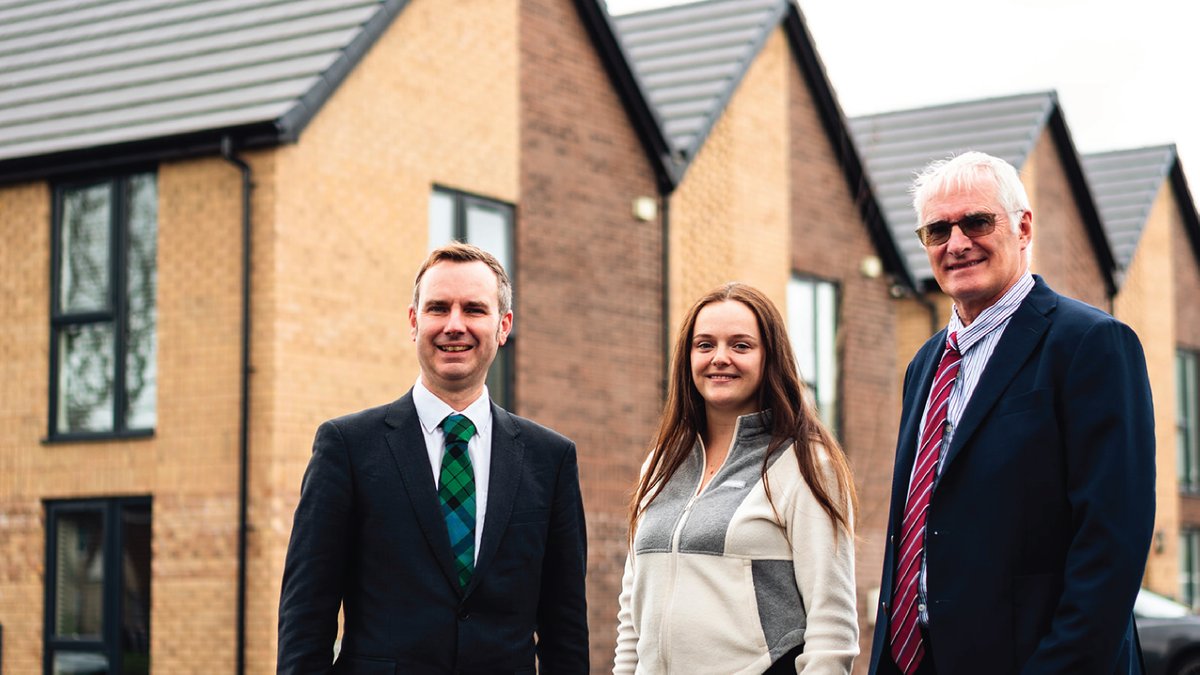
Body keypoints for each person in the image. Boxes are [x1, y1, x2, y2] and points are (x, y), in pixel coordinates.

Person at [868, 152, 1155, 674]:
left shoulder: (1091, 344)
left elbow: (1111, 545)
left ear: (1023, 227)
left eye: (976, 221)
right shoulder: (923, 366)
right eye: (937, 231)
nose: (957, 243)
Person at [277, 242, 589, 674]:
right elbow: (305, 616)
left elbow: (565, 627)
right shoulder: (346, 447)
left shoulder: (550, 459)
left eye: (475, 310)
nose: (454, 325)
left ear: (503, 326)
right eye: (439, 308)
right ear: (413, 321)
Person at [614, 283, 859, 674]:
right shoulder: (660, 467)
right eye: (705, 345)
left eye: (741, 346)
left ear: (770, 359)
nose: (720, 358)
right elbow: (632, 612)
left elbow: (832, 624)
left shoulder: (807, 465)